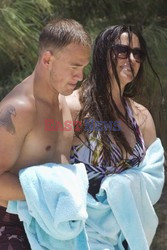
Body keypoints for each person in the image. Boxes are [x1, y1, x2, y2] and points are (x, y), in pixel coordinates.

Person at [66, 25, 164, 249]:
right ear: (102, 53)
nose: (132, 59)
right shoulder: (73, 107)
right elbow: (54, 174)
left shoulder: (142, 117)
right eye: (122, 50)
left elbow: (152, 180)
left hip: (130, 236)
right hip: (83, 238)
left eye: (138, 54)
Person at [0, 18, 91, 249]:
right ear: (48, 59)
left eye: (83, 68)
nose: (80, 76)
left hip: (55, 222)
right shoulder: (19, 109)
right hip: (12, 223)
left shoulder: (63, 103)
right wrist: (51, 195)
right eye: (74, 67)